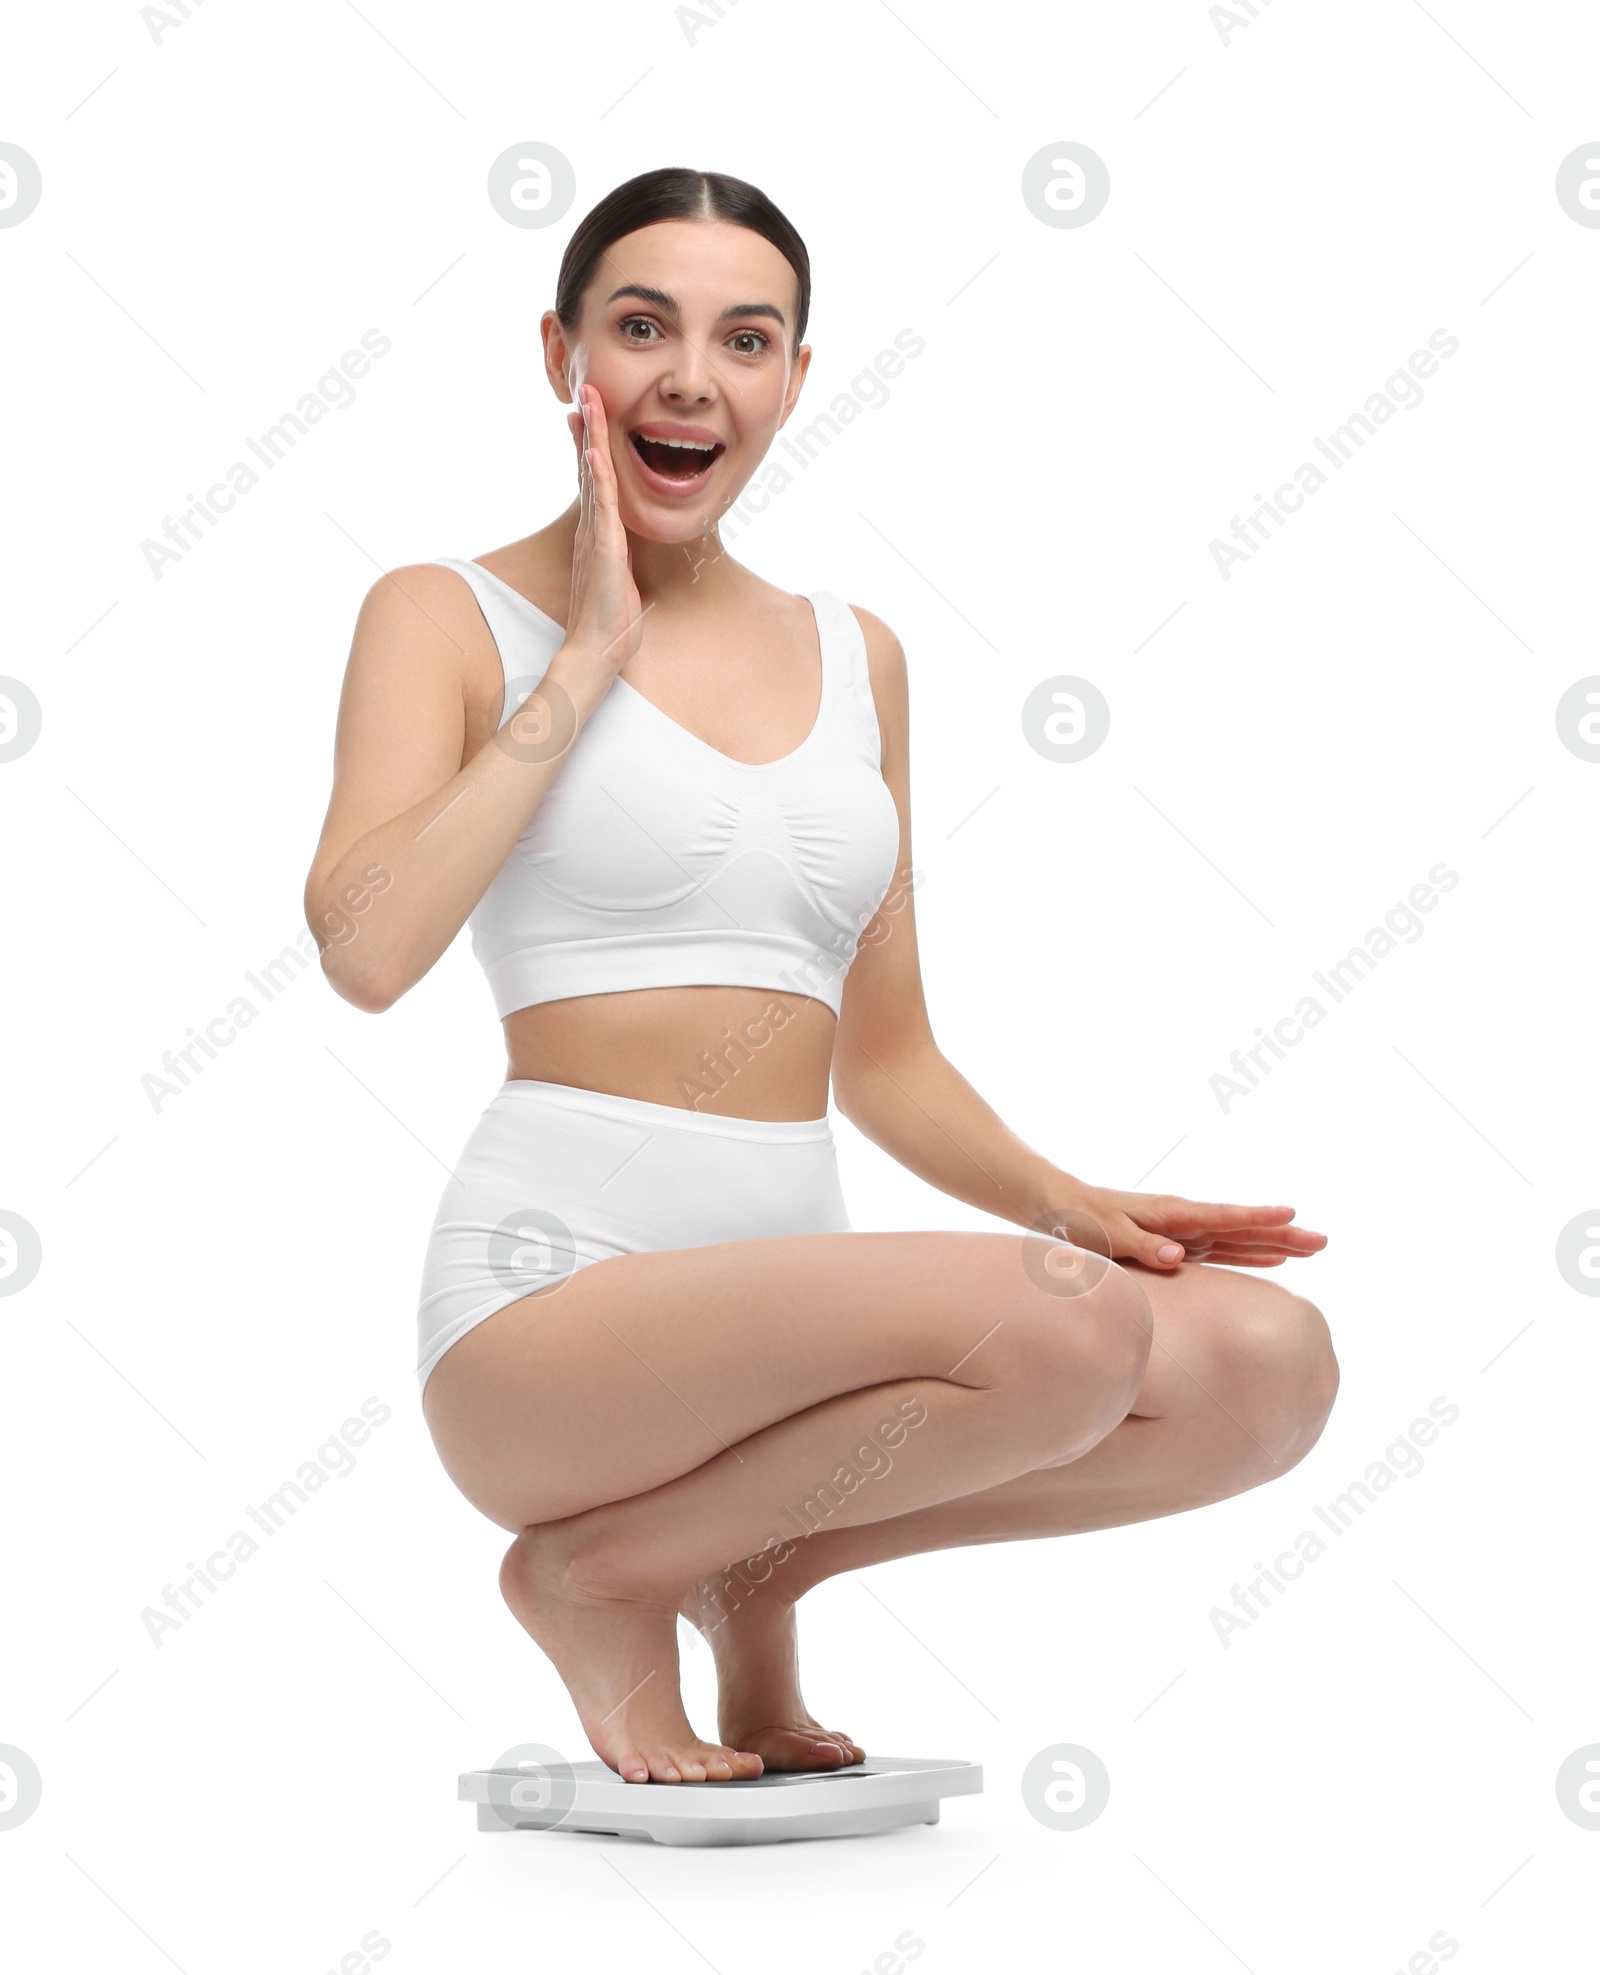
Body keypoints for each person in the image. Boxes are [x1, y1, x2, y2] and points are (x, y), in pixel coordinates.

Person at [302, 166, 1338, 1788]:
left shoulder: (861, 655)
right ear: (561, 351)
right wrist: (585, 663)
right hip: (548, 1313)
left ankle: (762, 1560)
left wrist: (1087, 1209)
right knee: (1069, 1342)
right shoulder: (446, 615)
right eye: (641, 327)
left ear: (794, 376)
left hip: (793, 1311)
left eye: (748, 338)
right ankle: (598, 1572)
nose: (690, 379)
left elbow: (891, 1060)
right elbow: (365, 949)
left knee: (1270, 1369)